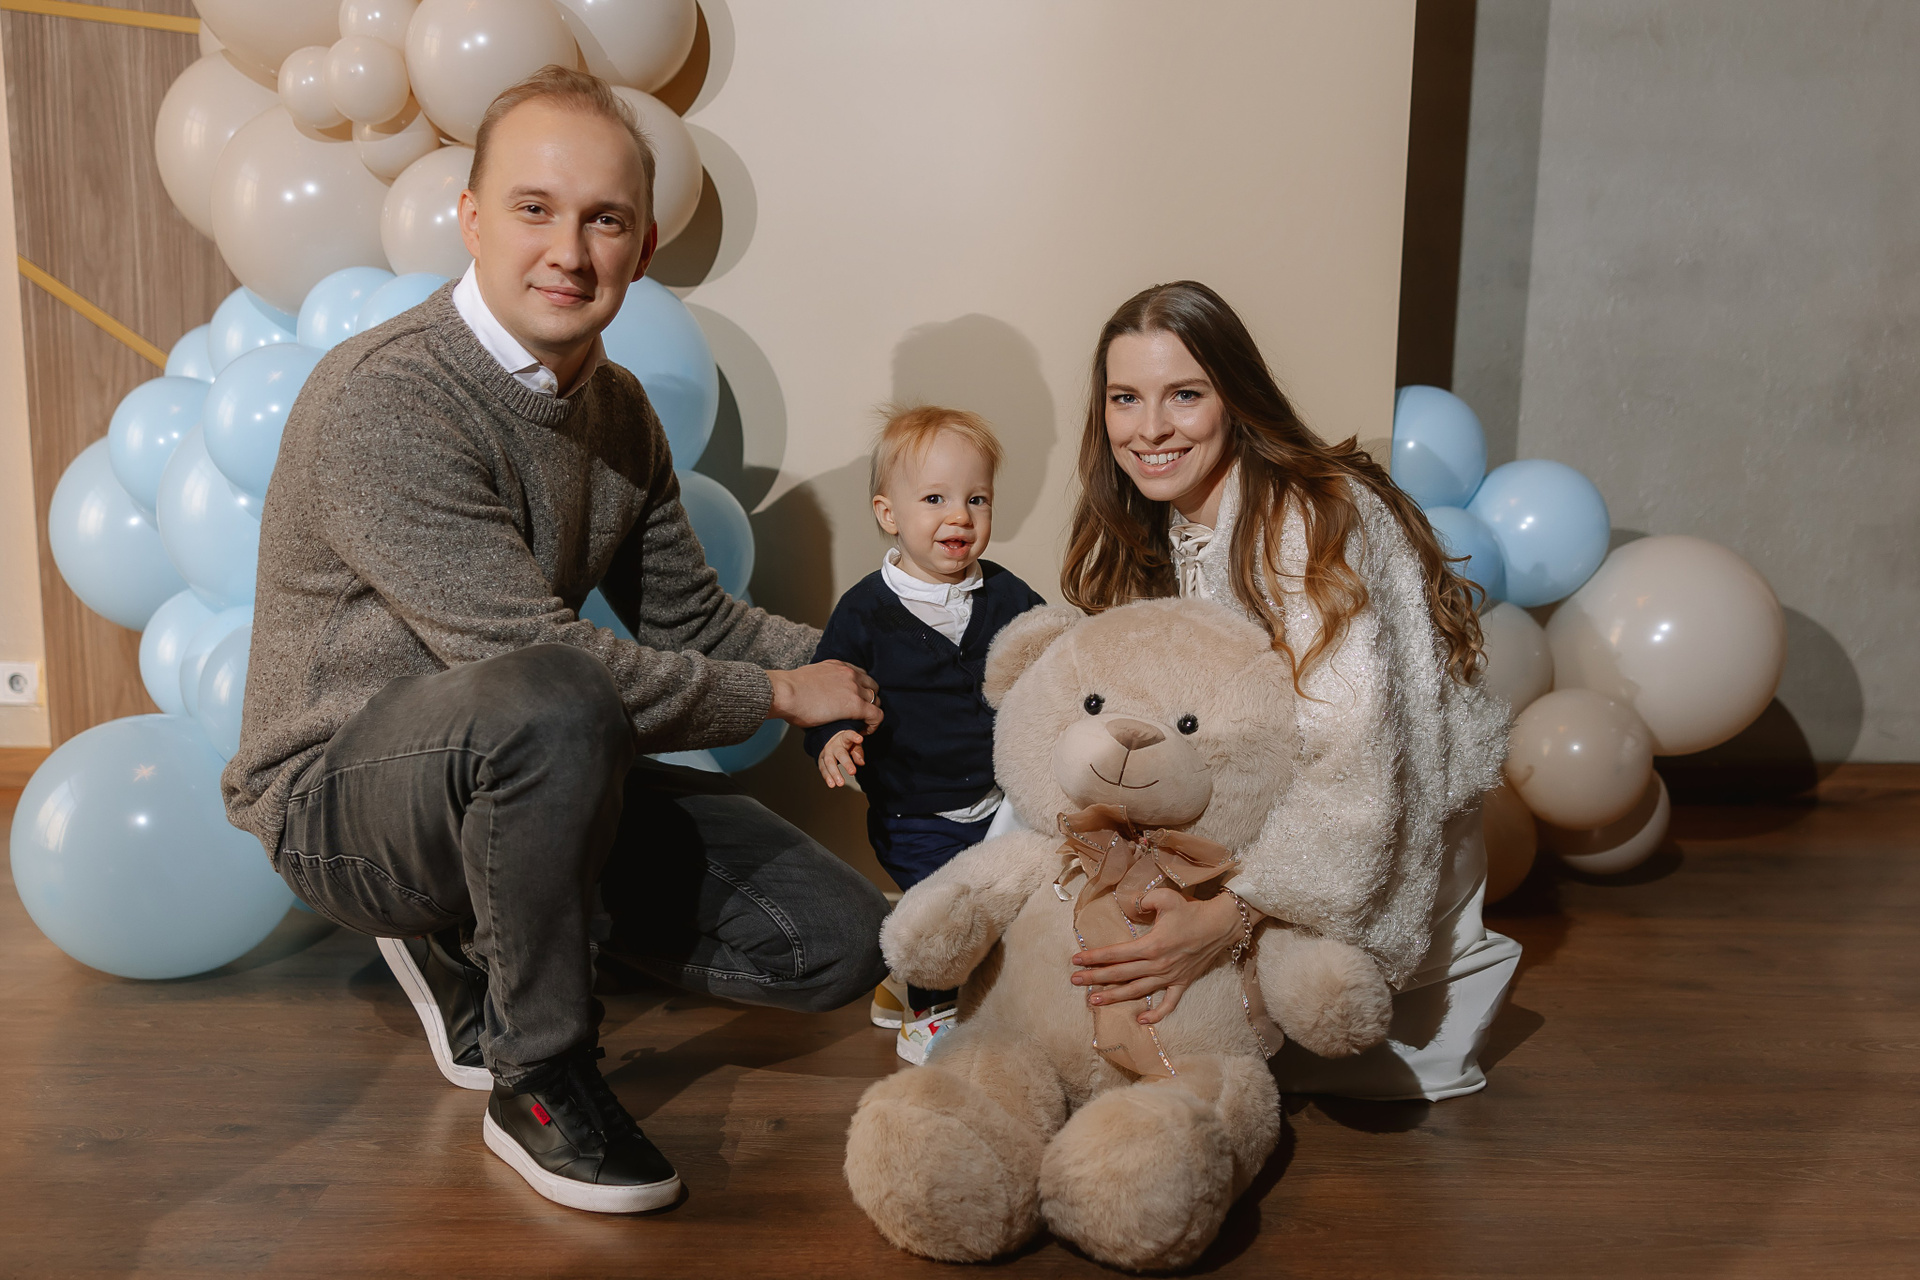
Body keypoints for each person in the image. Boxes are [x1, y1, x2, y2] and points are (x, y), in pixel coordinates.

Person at [220, 66, 893, 1215]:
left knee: (839, 940)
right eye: (534, 208)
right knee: (554, 690)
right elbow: (537, 658)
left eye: (605, 219)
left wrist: (889, 665)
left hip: (534, 763)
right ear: (472, 219)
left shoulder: (619, 409)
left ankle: (486, 925)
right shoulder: (388, 398)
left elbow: (696, 622)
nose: (569, 252)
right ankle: (536, 1075)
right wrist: (786, 695)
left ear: (643, 245)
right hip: (341, 800)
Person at [1048, 280, 1520, 1101]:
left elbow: (1361, 761)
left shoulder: (1315, 519)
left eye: (1184, 395)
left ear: (1235, 397)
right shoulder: (1161, 525)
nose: (1149, 428)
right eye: (1125, 398)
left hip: (1358, 852)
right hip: (1254, 841)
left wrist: (1228, 916)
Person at [803, 407, 1046, 1063]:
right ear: (889, 514)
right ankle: (926, 1016)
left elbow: (1047, 658)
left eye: (976, 499)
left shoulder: (1007, 595)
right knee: (941, 914)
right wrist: (833, 737)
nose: (959, 517)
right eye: (935, 499)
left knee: (1005, 906)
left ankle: (901, 988)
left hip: (996, 800)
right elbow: (830, 686)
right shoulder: (865, 611)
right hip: (913, 810)